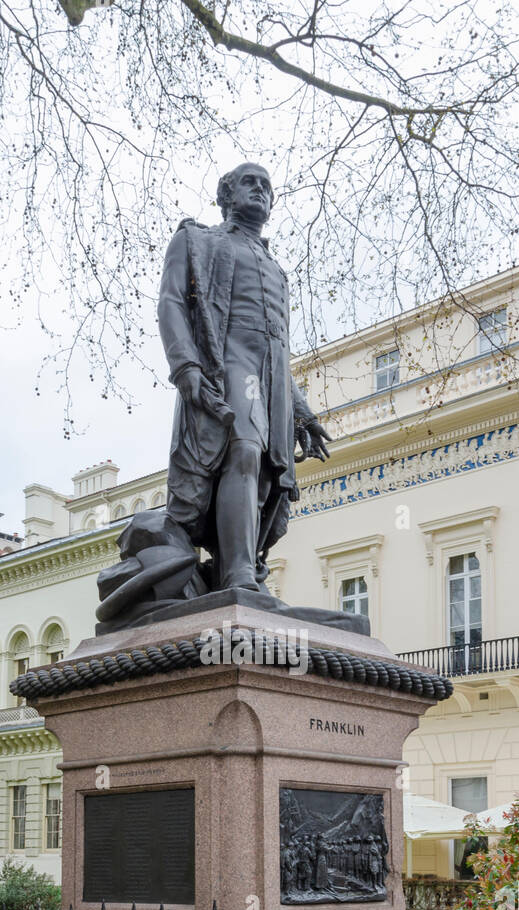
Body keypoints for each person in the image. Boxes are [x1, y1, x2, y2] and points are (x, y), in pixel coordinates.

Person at [158, 162, 331, 591]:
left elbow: (279, 345)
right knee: (244, 450)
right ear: (226, 194)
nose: (259, 190)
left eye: (266, 186)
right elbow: (171, 303)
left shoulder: (278, 270)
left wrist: (302, 412)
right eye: (249, 183)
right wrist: (186, 367)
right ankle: (236, 575)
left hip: (270, 377)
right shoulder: (196, 240)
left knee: (267, 479)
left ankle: (234, 566)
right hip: (226, 361)